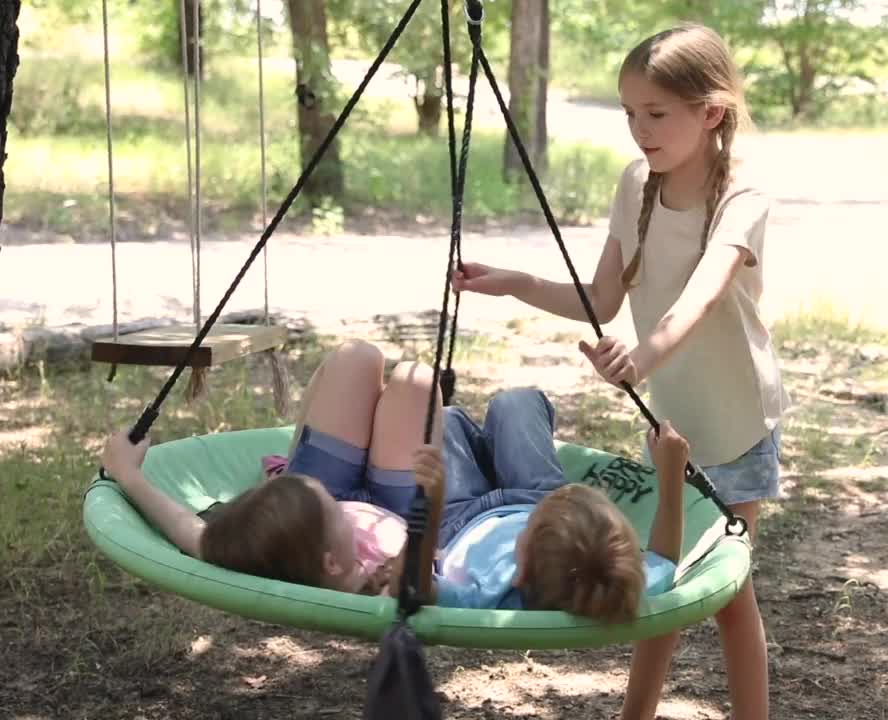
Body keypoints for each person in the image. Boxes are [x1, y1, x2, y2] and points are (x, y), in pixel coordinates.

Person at [451, 23, 786, 720]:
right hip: (672, 420)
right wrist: (515, 281)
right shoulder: (636, 182)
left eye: (656, 114)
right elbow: (601, 300)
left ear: (711, 112)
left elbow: (705, 289)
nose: (639, 129)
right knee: (658, 590)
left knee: (728, 597)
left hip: (734, 423)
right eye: (630, 112)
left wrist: (644, 353)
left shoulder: (742, 194)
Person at [100, 339, 691, 623]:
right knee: (420, 382)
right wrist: (669, 483)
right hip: (422, 509)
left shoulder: (278, 532)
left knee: (364, 360)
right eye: (318, 503)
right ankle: (468, 429)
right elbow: (416, 578)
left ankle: (449, 431)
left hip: (433, 512)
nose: (320, 498)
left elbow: (190, 533)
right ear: (335, 559)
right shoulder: (368, 584)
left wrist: (129, 477)